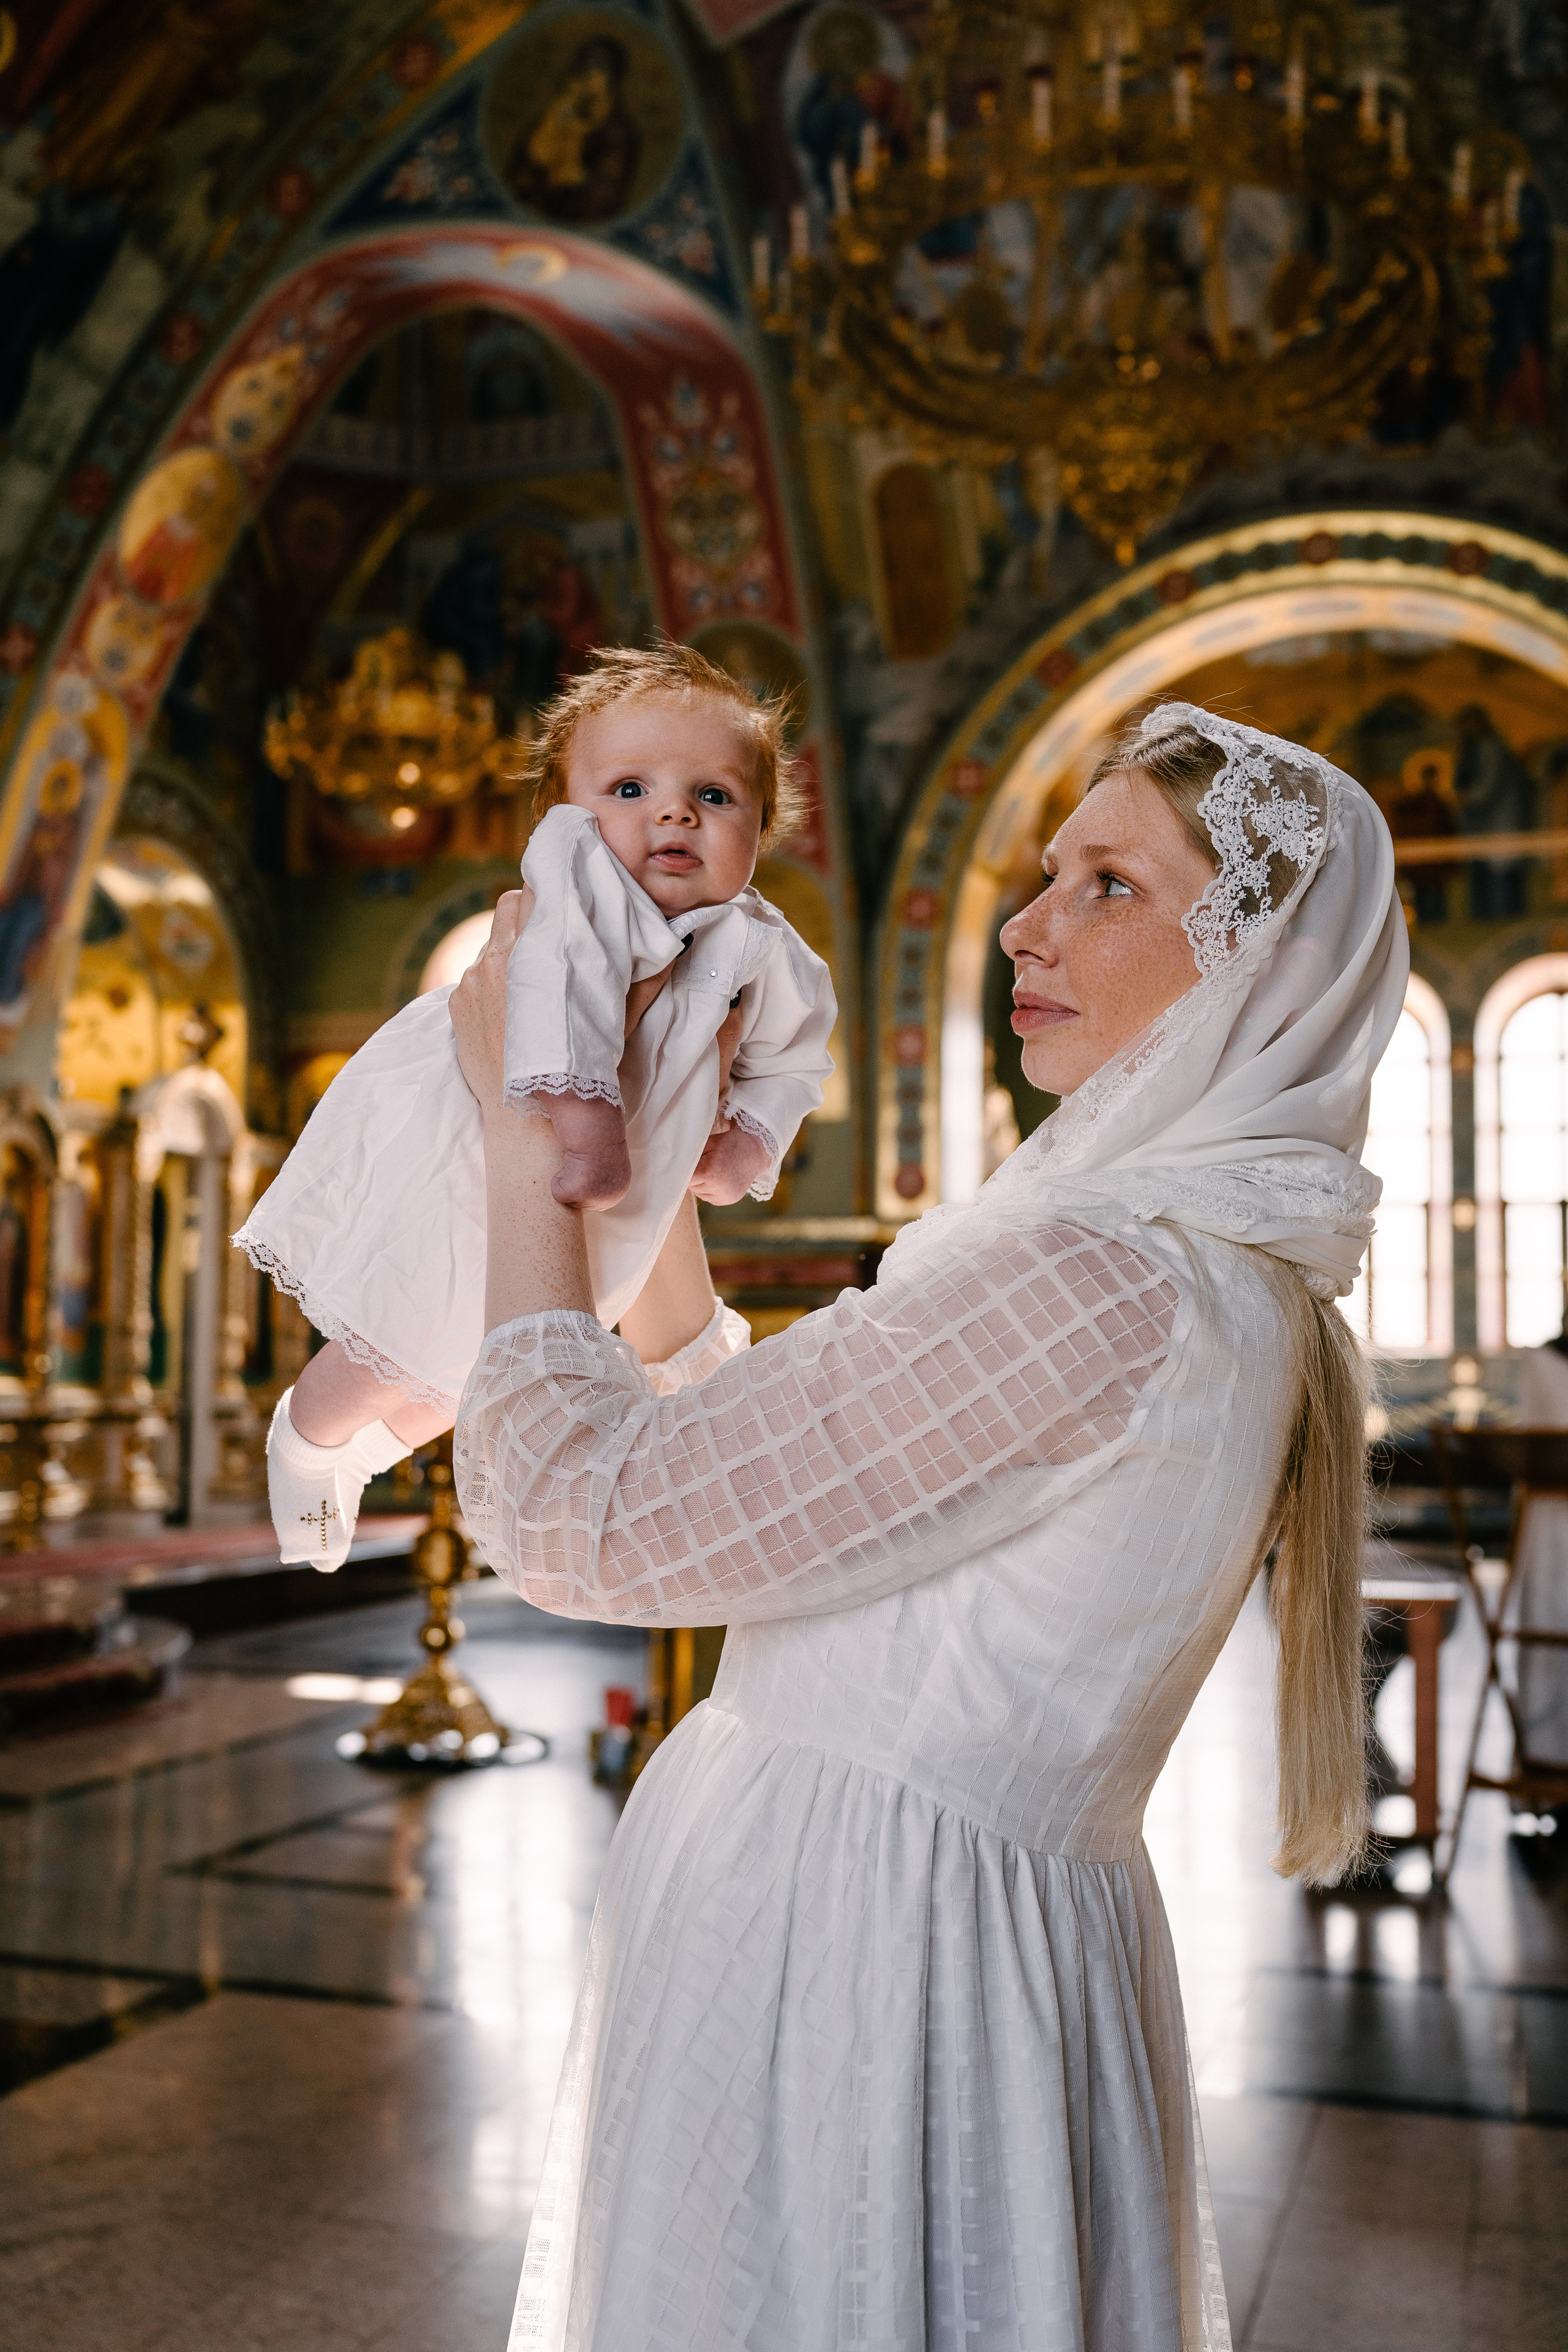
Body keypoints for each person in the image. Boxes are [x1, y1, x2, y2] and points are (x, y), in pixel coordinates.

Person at [447, 701, 1407, 2349]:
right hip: (952, 1948)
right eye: (1050, 876)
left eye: (1108, 885)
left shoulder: (1099, 1276)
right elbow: (808, 1479)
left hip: (864, 1979)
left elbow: (572, 1521)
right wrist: (652, 1138)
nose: (1027, 925)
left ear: (1254, 968)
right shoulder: (1209, 1273)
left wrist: (524, 1136)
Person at [238, 643, 835, 1569]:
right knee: (394, 1335)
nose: (674, 810)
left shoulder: (758, 939)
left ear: (764, 827)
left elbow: (800, 1047)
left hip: (604, 1190)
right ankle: (309, 1438)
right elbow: (557, 990)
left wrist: (752, 1135)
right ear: (566, 816)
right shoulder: (578, 893)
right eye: (629, 789)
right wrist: (586, 1115)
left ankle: (357, 1459)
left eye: (715, 797)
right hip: (483, 1139)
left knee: (484, 1367)